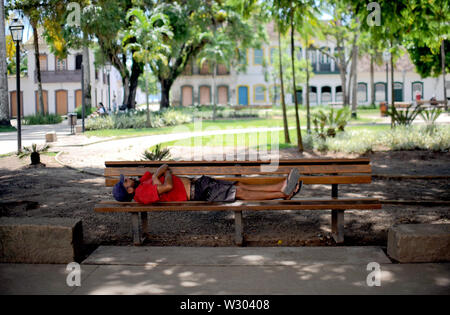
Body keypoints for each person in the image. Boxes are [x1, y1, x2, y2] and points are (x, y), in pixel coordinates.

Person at [113, 164, 302, 204]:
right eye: (126, 181)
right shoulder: (142, 194)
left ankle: (282, 185)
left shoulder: (144, 181)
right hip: (200, 193)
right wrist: (166, 175)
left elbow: (163, 166)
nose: (128, 178)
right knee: (242, 193)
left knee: (241, 188)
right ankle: (282, 193)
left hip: (200, 184)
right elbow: (168, 186)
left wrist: (156, 175)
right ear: (128, 190)